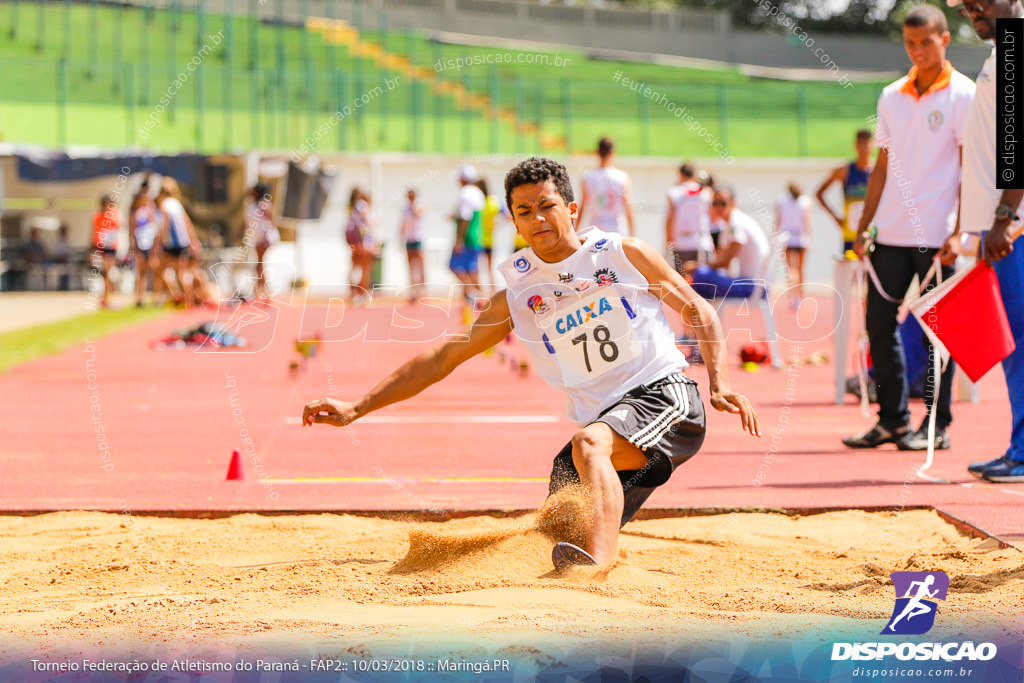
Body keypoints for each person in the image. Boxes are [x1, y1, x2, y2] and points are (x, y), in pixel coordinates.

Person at [302, 157, 760, 568]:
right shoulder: (519, 292)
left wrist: (718, 383)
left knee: (588, 447)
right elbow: (444, 356)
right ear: (514, 222)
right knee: (560, 513)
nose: (537, 218)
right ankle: (589, 551)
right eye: (524, 211)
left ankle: (597, 567)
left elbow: (697, 309)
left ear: (572, 209)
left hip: (665, 395)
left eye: (547, 205)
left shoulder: (623, 254)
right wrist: (357, 407)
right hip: (612, 418)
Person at [843, 5, 974, 451]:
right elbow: (882, 166)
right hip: (890, 234)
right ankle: (893, 420)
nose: (918, 51)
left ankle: (936, 425)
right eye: (910, 43)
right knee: (879, 325)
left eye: (926, 42)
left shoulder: (964, 94)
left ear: (945, 40)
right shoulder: (890, 95)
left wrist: (960, 230)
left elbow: (968, 167)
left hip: (939, 237)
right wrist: (863, 227)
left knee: (941, 329)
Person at [952, 0, 1024, 482]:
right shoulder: (999, 53)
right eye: (965, 3)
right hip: (997, 228)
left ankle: (1022, 450)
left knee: (1019, 343)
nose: (973, 7)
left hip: (1011, 229)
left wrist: (1002, 218)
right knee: (1012, 344)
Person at [683, 187, 770, 300]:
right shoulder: (727, 225)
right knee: (700, 278)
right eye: (714, 203)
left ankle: (702, 316)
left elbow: (725, 261)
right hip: (749, 283)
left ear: (733, 203)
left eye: (722, 203)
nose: (718, 207)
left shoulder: (737, 222)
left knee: (700, 276)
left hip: (754, 287)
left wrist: (696, 265)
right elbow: (720, 258)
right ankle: (704, 316)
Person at [816, 129, 874, 254]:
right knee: (850, 272)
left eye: (867, 144)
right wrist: (836, 218)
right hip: (850, 234)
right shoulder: (845, 171)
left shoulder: (876, 173)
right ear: (856, 146)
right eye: (861, 144)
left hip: (871, 235)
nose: (864, 148)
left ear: (872, 145)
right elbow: (819, 193)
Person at [156, 177, 201, 308]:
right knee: (182, 272)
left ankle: (175, 294)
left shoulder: (164, 204)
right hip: (183, 242)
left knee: (162, 270)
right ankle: (188, 300)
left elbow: (166, 225)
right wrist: (193, 240)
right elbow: (187, 223)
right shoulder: (177, 204)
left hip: (171, 243)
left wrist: (159, 242)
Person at [578, 137, 635, 237]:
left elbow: (582, 207)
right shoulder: (622, 177)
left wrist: (575, 230)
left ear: (597, 152)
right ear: (613, 152)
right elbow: (628, 208)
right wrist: (633, 235)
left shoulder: (587, 177)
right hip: (617, 232)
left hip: (595, 233)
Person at [665, 163, 712, 274]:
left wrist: (667, 241)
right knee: (703, 283)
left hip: (681, 243)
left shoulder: (674, 192)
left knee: (682, 283)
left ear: (680, 175)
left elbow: (670, 219)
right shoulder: (706, 192)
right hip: (702, 242)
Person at [449, 165, 485, 302]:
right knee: (472, 268)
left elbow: (465, 217)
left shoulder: (465, 193)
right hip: (477, 236)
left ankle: (472, 293)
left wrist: (459, 240)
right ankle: (477, 295)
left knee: (454, 265)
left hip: (468, 238)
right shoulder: (477, 192)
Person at [776, 182, 813, 308]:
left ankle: (793, 295)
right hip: (801, 237)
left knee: (791, 269)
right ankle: (799, 295)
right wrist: (810, 237)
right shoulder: (806, 202)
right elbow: (807, 221)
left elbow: (778, 220)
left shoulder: (782, 201)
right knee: (800, 269)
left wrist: (775, 235)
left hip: (788, 238)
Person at [247, 184, 280, 300]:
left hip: (264, 238)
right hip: (258, 238)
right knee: (258, 265)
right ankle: (259, 291)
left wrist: (266, 236)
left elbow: (272, 220)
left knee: (260, 265)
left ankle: (266, 293)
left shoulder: (264, 205)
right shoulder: (254, 205)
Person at [130, 180, 158, 307]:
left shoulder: (149, 210)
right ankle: (139, 297)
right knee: (141, 272)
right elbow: (132, 230)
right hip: (141, 244)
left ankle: (155, 296)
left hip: (149, 243)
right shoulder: (136, 212)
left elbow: (153, 227)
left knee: (153, 270)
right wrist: (133, 246)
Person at [345, 188, 375, 304]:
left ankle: (354, 293)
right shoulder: (361, 206)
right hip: (362, 243)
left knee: (355, 267)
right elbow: (370, 221)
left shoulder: (351, 209)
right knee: (364, 269)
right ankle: (361, 293)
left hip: (355, 242)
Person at [91, 195, 121, 308]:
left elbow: (117, 228)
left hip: (110, 247)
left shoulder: (113, 215)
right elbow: (95, 233)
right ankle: (105, 296)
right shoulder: (98, 216)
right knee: (104, 273)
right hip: (101, 247)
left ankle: (107, 296)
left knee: (109, 272)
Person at [401, 187, 426, 303]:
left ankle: (422, 291)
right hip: (409, 240)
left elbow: (419, 213)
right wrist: (400, 238)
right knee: (411, 267)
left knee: (421, 266)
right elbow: (403, 224)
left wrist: (413, 206)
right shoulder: (404, 208)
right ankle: (413, 292)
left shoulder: (418, 205)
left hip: (418, 239)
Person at [477, 178, 501, 293]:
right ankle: (492, 291)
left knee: (477, 268)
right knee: (489, 268)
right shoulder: (494, 201)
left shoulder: (479, 201)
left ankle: (481, 293)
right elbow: (507, 215)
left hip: (479, 239)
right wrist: (497, 224)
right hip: (490, 238)